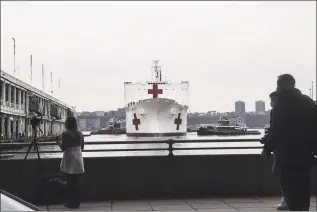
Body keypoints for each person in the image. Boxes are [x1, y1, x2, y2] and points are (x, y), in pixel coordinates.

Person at [262, 74, 316, 211]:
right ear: (293, 84)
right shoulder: (307, 103)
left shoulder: (280, 105)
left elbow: (276, 130)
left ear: (279, 85)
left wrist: (267, 148)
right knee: (303, 188)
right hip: (305, 152)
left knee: (290, 189)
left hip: (286, 153)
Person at [261, 91, 288, 210]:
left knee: (278, 171)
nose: (271, 103)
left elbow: (275, 130)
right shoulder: (304, 104)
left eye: (271, 100)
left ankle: (286, 197)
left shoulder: (277, 111)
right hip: (302, 148)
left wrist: (267, 147)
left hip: (282, 148)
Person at [56, 116, 85, 209]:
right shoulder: (80, 134)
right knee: (76, 183)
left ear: (67, 124)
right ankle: (77, 202)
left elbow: (63, 148)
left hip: (70, 159)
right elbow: (82, 147)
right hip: (78, 158)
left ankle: (71, 203)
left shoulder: (65, 134)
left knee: (70, 183)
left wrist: (57, 141)